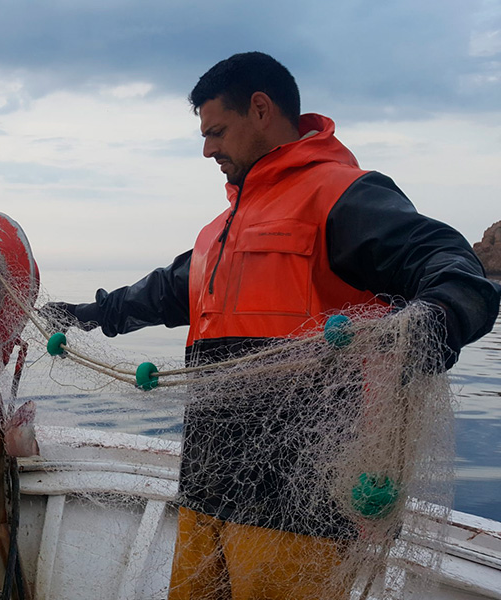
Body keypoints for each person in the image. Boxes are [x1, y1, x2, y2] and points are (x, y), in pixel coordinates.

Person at [42, 52, 501, 599]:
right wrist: (86, 315)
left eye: (216, 132)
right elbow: (166, 291)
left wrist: (439, 318)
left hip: (298, 509)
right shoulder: (221, 230)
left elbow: (451, 264)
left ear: (260, 109)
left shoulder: (339, 195)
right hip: (206, 490)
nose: (207, 150)